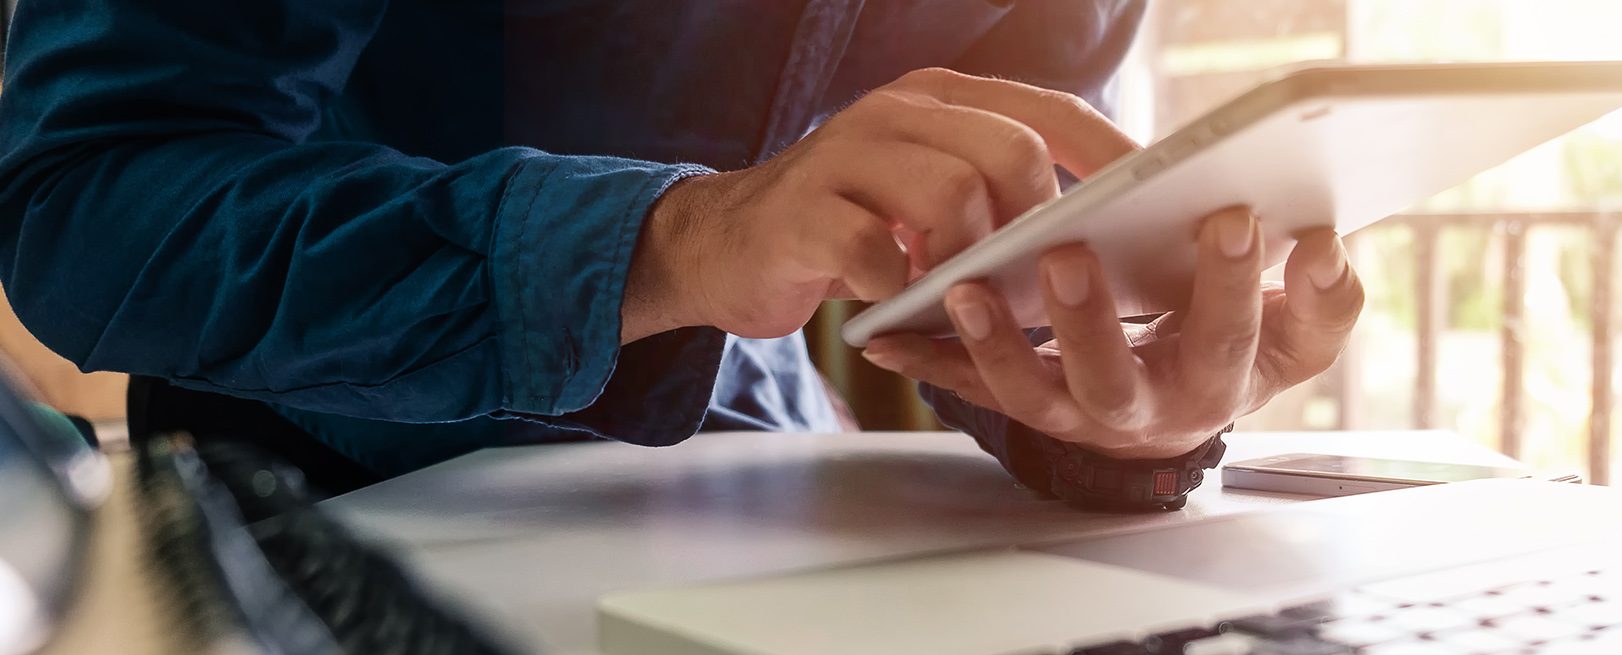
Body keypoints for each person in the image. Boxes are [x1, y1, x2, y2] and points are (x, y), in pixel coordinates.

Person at [0, 1, 1364, 506]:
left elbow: (1012, 234)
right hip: (341, 527)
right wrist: (675, 241)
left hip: (793, 500)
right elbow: (91, 196)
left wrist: (1110, 398)